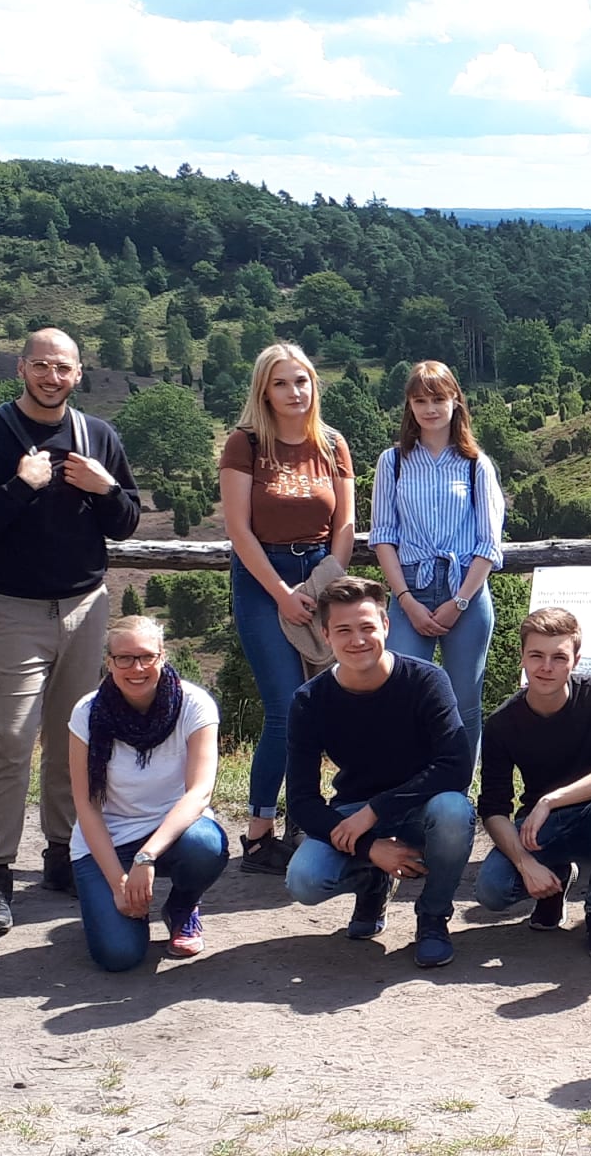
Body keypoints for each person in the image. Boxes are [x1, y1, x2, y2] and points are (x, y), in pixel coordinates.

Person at [0, 328, 142, 936]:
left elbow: (127, 522)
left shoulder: (97, 437)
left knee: (72, 739)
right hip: (12, 610)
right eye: (41, 366)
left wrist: (105, 488)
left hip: (85, 608)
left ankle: (62, 854)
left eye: (64, 368)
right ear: (21, 367)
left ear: (79, 374)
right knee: (9, 739)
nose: (52, 377)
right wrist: (19, 486)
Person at [282, 577, 475, 968]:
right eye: (344, 630)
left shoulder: (426, 680)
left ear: (386, 625)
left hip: (423, 807)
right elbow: (301, 800)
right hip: (354, 809)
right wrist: (370, 845)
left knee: (455, 812)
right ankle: (373, 880)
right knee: (304, 880)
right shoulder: (309, 700)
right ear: (325, 635)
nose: (357, 640)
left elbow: (456, 767)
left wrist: (374, 813)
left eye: (367, 627)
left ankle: (433, 917)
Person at [221, 343, 357, 875]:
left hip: (322, 578)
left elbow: (343, 527)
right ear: (264, 390)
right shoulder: (246, 443)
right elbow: (238, 529)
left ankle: (306, 815)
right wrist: (282, 592)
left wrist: (325, 587)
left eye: (301, 381)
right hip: (263, 582)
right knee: (284, 708)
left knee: (322, 706)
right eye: (282, 383)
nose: (294, 392)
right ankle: (259, 835)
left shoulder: (332, 444)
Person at [475, 608, 591, 960]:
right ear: (522, 656)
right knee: (492, 890)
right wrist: (525, 864)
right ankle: (553, 883)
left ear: (575, 661)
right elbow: (493, 809)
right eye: (536, 655)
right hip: (540, 831)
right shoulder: (502, 723)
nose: (546, 667)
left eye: (558, 657)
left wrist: (550, 799)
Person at [67, 616, 228, 971]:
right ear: (109, 662)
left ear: (163, 656)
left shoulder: (194, 704)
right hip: (107, 843)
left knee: (206, 845)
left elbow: (199, 793)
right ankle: (123, 910)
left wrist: (146, 857)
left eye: (146, 657)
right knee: (119, 956)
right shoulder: (86, 713)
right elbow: (86, 805)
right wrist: (118, 883)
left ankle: (182, 906)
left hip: (171, 835)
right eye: (123, 658)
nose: (136, 668)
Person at [371, 359, 506, 763]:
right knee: (401, 694)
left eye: (438, 399)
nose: (430, 408)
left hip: (465, 586)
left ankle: (458, 795)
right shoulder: (391, 462)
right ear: (409, 407)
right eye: (420, 400)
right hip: (408, 586)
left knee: (464, 699)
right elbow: (383, 536)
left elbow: (489, 543)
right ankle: (409, 792)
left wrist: (459, 601)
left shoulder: (475, 463)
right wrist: (406, 599)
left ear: (455, 402)